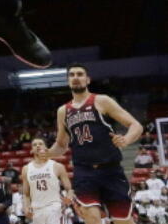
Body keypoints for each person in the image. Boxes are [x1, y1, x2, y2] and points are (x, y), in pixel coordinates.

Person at [46, 64, 143, 224]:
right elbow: (62, 145)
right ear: (68, 81)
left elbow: (136, 126)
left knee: (123, 221)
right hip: (84, 172)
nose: (76, 77)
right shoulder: (63, 111)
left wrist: (126, 139)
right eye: (72, 75)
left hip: (111, 170)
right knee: (91, 218)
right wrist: (48, 153)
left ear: (88, 79)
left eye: (80, 74)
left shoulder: (102, 100)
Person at [22, 138, 72, 224]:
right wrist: (26, 207)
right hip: (36, 210)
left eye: (40, 143)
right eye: (34, 144)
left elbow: (69, 189)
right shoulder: (26, 169)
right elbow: (26, 194)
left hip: (54, 208)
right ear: (31, 150)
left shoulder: (57, 166)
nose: (37, 145)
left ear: (46, 147)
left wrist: (69, 198)